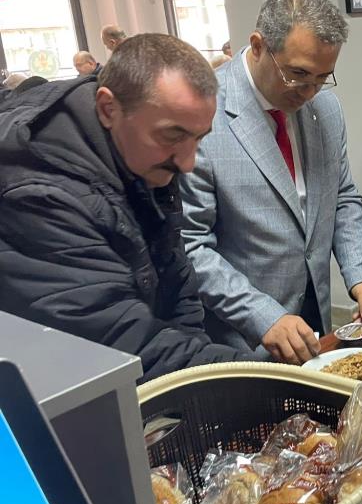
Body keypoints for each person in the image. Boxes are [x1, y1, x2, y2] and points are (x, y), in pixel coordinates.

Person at [0, 34, 259, 382]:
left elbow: (176, 280)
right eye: (172, 135)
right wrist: (256, 377)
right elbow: (116, 338)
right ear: (109, 109)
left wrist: (198, 360)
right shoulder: (38, 193)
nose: (186, 162)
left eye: (198, 138)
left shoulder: (144, 156)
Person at [179, 0, 362, 365]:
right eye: (298, 75)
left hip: (312, 314)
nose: (309, 92)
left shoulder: (326, 108)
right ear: (258, 46)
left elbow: (342, 197)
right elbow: (192, 246)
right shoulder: (205, 114)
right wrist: (262, 315)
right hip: (243, 335)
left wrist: (359, 272)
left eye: (322, 77)